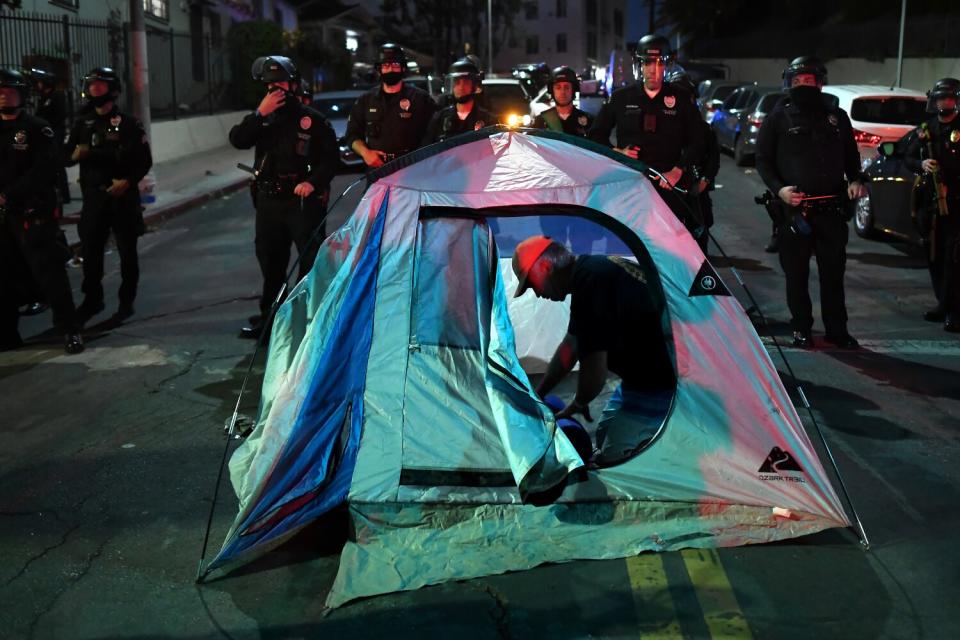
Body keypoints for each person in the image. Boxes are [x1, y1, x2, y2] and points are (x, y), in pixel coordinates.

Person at [512, 236, 676, 466]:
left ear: (545, 267)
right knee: (601, 436)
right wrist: (539, 394)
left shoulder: (592, 280)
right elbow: (571, 348)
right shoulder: (589, 272)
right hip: (637, 382)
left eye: (531, 284)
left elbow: (594, 372)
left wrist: (579, 401)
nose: (536, 293)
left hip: (660, 387)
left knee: (613, 461)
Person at [755, 56, 868, 349]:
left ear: (819, 83)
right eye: (797, 81)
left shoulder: (836, 116)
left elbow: (851, 155)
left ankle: (837, 329)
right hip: (795, 211)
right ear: (789, 84)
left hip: (831, 209)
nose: (803, 86)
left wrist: (856, 179)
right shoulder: (778, 117)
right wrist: (779, 190)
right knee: (796, 275)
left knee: (833, 274)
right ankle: (801, 328)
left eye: (809, 81)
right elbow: (763, 161)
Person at [229, 56, 339, 340]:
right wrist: (258, 114)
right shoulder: (263, 118)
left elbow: (330, 161)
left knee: (308, 262)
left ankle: (308, 322)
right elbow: (238, 139)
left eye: (280, 83)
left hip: (301, 202)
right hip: (269, 202)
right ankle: (272, 321)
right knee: (271, 263)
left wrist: (312, 183)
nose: (276, 89)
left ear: (293, 84)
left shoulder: (311, 120)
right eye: (270, 85)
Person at [0, 68, 83, 354]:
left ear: (22, 94)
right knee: (5, 277)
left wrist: (9, 194)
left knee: (50, 275)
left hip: (32, 213)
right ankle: (7, 336)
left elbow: (45, 169)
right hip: (3, 217)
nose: (3, 96)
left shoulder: (37, 128)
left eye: (9, 91)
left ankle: (70, 330)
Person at [588, 34, 703, 236]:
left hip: (668, 188)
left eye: (659, 63)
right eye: (647, 63)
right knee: (629, 241)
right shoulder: (621, 98)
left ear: (667, 66)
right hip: (629, 187)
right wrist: (617, 152)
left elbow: (698, 141)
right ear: (639, 65)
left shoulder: (681, 98)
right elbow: (596, 135)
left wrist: (678, 170)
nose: (653, 70)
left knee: (668, 243)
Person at [64, 67, 152, 326]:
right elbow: (65, 155)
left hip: (123, 198)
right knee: (91, 252)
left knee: (127, 252)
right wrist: (73, 155)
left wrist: (128, 182)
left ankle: (127, 301)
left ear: (112, 90)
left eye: (100, 85)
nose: (94, 90)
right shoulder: (82, 123)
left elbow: (143, 160)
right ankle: (92, 300)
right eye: (92, 85)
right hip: (94, 198)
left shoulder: (129, 124)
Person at [904, 77, 960, 332]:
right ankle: (942, 303)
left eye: (948, 98)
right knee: (934, 255)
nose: (944, 103)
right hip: (931, 203)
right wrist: (922, 165)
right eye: (940, 98)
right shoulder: (927, 128)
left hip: (956, 202)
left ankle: (953, 310)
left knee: (953, 258)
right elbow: (909, 157)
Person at [345, 44, 436, 169]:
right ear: (379, 69)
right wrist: (366, 153)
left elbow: (434, 133)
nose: (390, 69)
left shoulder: (421, 99)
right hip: (378, 170)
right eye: (386, 65)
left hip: (413, 169)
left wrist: (420, 157)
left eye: (395, 65)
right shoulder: (365, 101)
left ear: (403, 68)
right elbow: (352, 135)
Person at [665, 70, 720, 253]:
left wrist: (704, 181)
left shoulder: (703, 129)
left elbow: (713, 158)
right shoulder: (662, 126)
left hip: (696, 192)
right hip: (670, 192)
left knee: (699, 238)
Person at [422, 57, 496, 145]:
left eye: (466, 82)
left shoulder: (488, 120)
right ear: (451, 85)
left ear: (475, 85)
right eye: (457, 83)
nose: (461, 87)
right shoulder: (440, 119)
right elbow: (426, 150)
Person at [29, 68, 71, 203]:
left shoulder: (57, 95)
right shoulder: (43, 98)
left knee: (58, 163)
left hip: (56, 133)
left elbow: (61, 115)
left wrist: (47, 124)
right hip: (45, 134)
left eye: (41, 82)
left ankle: (64, 195)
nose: (38, 85)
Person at [531, 66, 593, 137]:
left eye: (566, 87)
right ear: (552, 91)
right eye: (558, 87)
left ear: (573, 90)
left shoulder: (589, 122)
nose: (563, 92)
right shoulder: (541, 122)